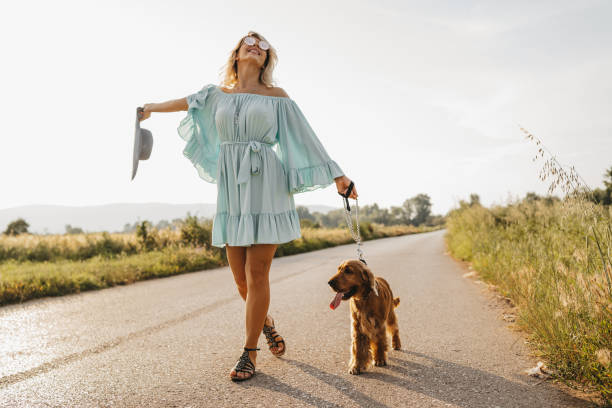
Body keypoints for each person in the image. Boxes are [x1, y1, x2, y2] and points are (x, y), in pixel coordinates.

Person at [139, 30, 358, 382]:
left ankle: (249, 353)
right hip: (232, 192)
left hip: (266, 186)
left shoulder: (277, 97)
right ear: (237, 55)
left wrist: (338, 176)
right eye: (249, 43)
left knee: (258, 275)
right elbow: (186, 103)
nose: (256, 47)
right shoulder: (216, 95)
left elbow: (306, 137)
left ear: (267, 58)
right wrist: (148, 108)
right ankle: (266, 322)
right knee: (241, 279)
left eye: (263, 45)